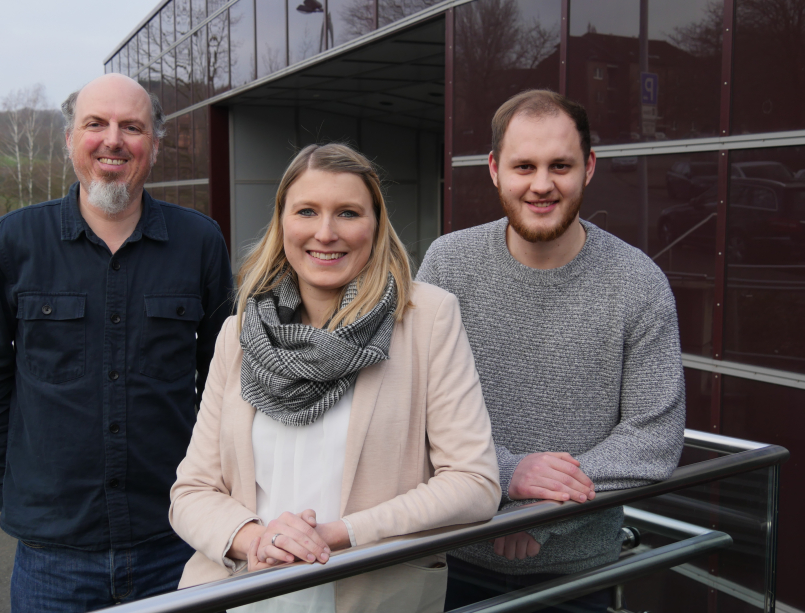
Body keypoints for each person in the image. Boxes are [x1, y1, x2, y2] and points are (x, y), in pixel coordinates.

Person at [169, 143, 502, 613]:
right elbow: (191, 491)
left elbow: (474, 483)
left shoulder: (427, 319)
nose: (325, 233)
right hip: (240, 594)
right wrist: (254, 540)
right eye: (307, 211)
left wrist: (338, 535)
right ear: (283, 221)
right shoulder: (240, 331)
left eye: (347, 213)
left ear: (375, 223)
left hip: (372, 595)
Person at [0, 73, 233, 612]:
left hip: (175, 541)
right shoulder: (13, 241)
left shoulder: (200, 242)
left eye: (132, 127)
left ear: (154, 144)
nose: (113, 140)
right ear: (70, 140)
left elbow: (224, 380)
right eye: (95, 124)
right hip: (52, 558)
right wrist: (13, 493)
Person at [417, 90, 686, 612]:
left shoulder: (638, 283)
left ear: (588, 167)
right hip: (449, 561)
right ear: (495, 169)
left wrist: (543, 512)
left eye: (560, 165)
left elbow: (653, 435)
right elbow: (411, 409)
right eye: (524, 166)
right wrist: (506, 475)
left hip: (578, 578)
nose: (542, 184)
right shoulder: (449, 266)